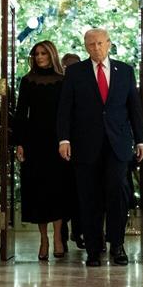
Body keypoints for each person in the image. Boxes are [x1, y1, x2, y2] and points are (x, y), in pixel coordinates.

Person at [57, 28, 143, 267]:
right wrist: (63, 139)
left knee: (118, 192)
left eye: (100, 43)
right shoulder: (75, 73)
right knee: (89, 197)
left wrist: (141, 140)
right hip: (85, 144)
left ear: (109, 44)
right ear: (86, 47)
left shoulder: (125, 71)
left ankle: (117, 244)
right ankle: (94, 249)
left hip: (117, 145)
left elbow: (134, 108)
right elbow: (65, 109)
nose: (96, 48)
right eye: (91, 45)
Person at [13, 40, 70, 260]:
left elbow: (68, 112)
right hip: (33, 141)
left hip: (57, 142)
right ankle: (43, 239)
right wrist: (20, 142)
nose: (39, 57)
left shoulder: (63, 81)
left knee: (57, 190)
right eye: (36, 54)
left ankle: (57, 237)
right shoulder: (27, 81)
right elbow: (20, 113)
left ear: (51, 55)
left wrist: (67, 140)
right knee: (37, 191)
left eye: (43, 53)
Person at [59, 53, 83, 249]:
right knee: (64, 194)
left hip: (81, 148)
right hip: (59, 147)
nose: (69, 70)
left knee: (78, 193)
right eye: (66, 67)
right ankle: (63, 236)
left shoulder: (83, 83)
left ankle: (77, 231)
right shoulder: (58, 83)